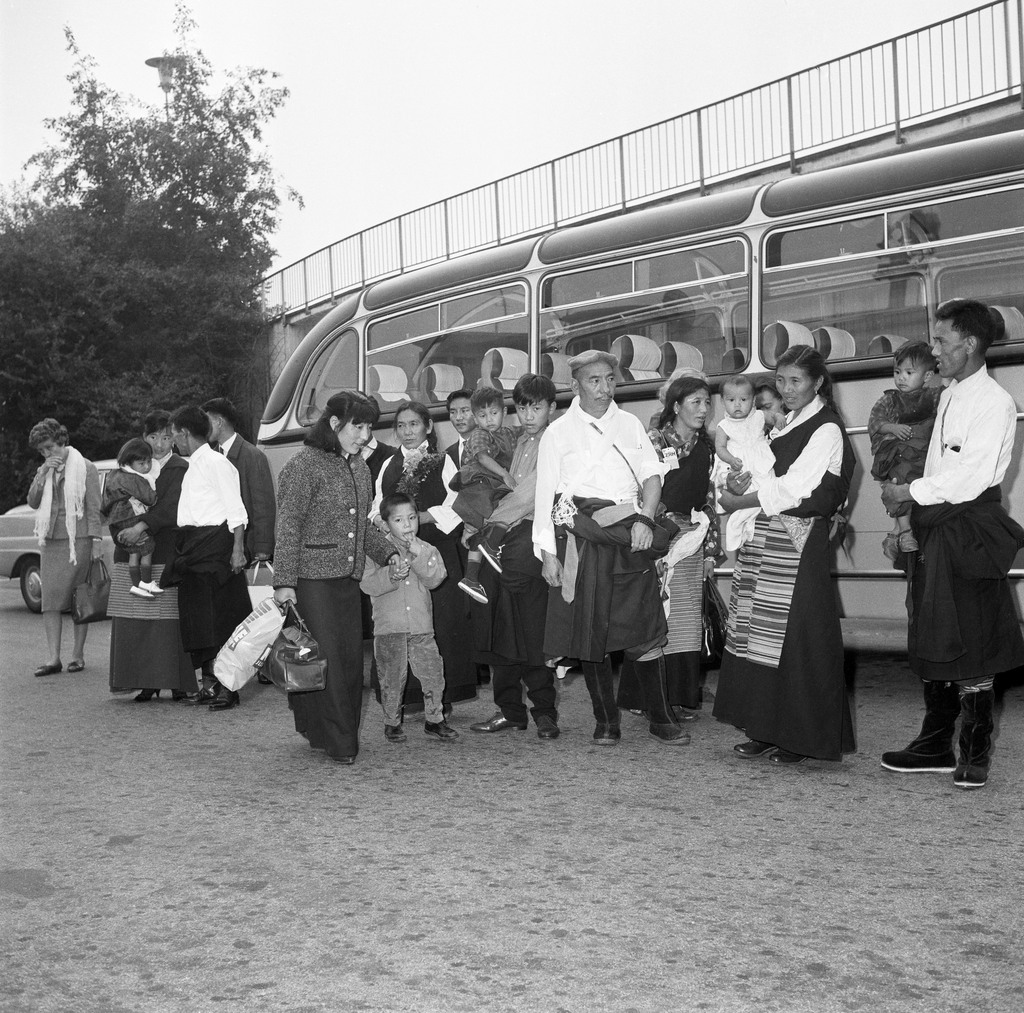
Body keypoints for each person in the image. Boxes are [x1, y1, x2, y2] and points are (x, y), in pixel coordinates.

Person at [880, 299, 1024, 790]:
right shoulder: (949, 395)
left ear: (971, 344)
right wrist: (908, 522)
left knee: (973, 637)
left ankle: (974, 753)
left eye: (941, 340)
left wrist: (908, 493)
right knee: (933, 628)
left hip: (968, 528)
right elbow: (940, 467)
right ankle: (935, 745)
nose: (934, 350)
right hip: (937, 525)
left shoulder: (994, 403)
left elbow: (971, 477)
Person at [533, 350, 688, 746]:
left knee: (644, 626)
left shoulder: (630, 423)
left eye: (609, 379)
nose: (604, 388)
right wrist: (547, 554)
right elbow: (545, 495)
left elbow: (652, 475)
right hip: (583, 540)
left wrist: (646, 519)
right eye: (594, 381)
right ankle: (606, 721)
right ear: (575, 385)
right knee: (591, 633)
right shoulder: (557, 433)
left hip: (630, 533)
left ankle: (660, 717)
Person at [713, 346, 856, 765]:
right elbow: (765, 470)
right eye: (781, 380)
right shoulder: (788, 422)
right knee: (760, 634)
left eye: (796, 380)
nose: (787, 389)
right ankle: (764, 727)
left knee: (797, 637)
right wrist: (739, 480)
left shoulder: (826, 428)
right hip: (769, 535)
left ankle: (801, 737)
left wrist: (738, 503)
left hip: (799, 538)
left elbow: (795, 487)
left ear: (817, 382)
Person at [274, 391, 398, 764]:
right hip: (311, 580)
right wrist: (284, 582)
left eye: (369, 427)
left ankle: (318, 730)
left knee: (346, 662)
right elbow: (288, 526)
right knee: (325, 659)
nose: (365, 436)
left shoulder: (359, 467)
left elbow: (360, 528)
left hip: (347, 579)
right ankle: (343, 742)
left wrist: (388, 553)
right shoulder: (302, 465)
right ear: (334, 423)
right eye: (357, 427)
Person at [618, 374, 721, 720]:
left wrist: (709, 551)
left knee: (686, 621)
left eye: (707, 402)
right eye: (696, 402)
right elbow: (638, 489)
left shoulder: (706, 447)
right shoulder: (655, 440)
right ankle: (644, 698)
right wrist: (649, 534)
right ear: (676, 406)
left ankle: (676, 698)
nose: (703, 409)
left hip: (691, 538)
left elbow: (709, 499)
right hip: (659, 535)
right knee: (654, 616)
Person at [470, 374, 560, 739]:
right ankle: (510, 710)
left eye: (536, 407)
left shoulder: (555, 441)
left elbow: (533, 493)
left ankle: (544, 712)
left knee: (532, 629)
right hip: (503, 541)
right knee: (500, 628)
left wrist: (490, 522)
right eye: (522, 408)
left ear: (552, 407)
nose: (528, 415)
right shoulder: (514, 439)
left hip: (531, 541)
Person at [372, 401, 477, 712]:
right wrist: (381, 521)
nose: (407, 432)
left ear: (428, 427)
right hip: (399, 557)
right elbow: (377, 504)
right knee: (401, 623)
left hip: (436, 551)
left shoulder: (443, 462)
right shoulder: (388, 465)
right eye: (401, 426)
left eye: (414, 424)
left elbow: (459, 503)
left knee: (441, 623)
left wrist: (421, 518)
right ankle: (408, 696)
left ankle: (442, 696)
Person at [161, 406, 252, 712]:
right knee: (198, 620)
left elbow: (236, 509)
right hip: (192, 547)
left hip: (215, 547)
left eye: (175, 434)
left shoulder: (216, 463)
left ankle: (228, 689)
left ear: (185, 433)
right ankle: (210, 685)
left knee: (220, 620)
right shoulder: (194, 465)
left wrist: (237, 550)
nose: (174, 441)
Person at [109, 410, 197, 703]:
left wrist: (140, 527)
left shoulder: (181, 467)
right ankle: (144, 681)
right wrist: (124, 532)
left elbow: (172, 508)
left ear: (175, 438)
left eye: (167, 437)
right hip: (129, 550)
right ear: (143, 437)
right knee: (134, 618)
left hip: (166, 549)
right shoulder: (127, 467)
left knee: (168, 621)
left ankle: (176, 682)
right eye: (153, 437)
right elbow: (111, 505)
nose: (160, 444)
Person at [360, 492, 458, 743]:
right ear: (385, 523)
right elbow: (367, 584)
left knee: (433, 674)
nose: (407, 525)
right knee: (391, 677)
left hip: (421, 626)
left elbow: (436, 578)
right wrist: (390, 575)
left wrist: (419, 554)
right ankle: (392, 722)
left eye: (412, 518)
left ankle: (435, 719)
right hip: (389, 628)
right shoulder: (376, 550)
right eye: (399, 520)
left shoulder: (426, 548)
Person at [26, 418, 103, 677]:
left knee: (79, 598)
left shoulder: (86, 467)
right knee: (49, 600)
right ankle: (53, 659)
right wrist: (42, 474)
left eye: (50, 447)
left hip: (78, 540)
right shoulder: (44, 470)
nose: (47, 454)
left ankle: (77, 656)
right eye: (42, 451)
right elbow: (33, 502)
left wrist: (96, 542)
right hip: (51, 540)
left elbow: (94, 508)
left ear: (61, 441)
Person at [867, 342, 942, 560]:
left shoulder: (935, 396)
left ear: (928, 376)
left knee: (919, 492)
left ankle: (895, 533)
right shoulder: (889, 399)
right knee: (900, 481)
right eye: (897, 372)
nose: (901, 378)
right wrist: (892, 427)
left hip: (924, 455)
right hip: (898, 455)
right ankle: (905, 531)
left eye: (909, 373)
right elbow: (875, 421)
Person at [451, 386, 518, 603]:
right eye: (482, 415)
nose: (489, 419)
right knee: (505, 509)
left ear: (504, 412)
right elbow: (482, 457)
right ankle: (491, 546)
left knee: (477, 532)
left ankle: (471, 577)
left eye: (494, 413)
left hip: (489, 487)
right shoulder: (480, 434)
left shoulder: (508, 433)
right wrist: (505, 474)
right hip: (479, 485)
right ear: (475, 417)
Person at [201, 397, 276, 565]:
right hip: (217, 548)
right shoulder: (210, 457)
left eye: (207, 422)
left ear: (219, 422)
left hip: (247, 550)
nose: (203, 429)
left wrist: (263, 548)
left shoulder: (253, 456)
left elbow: (263, 508)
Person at [713, 373, 778, 552]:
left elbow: (773, 417)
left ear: (753, 400)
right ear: (723, 401)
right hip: (740, 464)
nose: (737, 404)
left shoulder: (759, 416)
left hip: (760, 461)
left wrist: (779, 418)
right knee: (746, 492)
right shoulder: (723, 426)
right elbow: (720, 448)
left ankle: (749, 521)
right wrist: (730, 459)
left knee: (767, 486)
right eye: (731, 400)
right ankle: (741, 524)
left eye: (743, 399)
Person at [101, 438, 162, 598]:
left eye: (149, 462)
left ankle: (136, 585)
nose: (147, 467)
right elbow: (150, 499)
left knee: (134, 553)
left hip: (118, 522)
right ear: (129, 462)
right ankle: (146, 582)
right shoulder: (134, 478)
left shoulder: (113, 475)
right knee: (148, 548)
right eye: (141, 463)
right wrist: (155, 495)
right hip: (132, 517)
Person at [444, 388, 477, 470]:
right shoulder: (447, 455)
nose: (458, 417)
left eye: (464, 411)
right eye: (453, 412)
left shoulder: (493, 445)